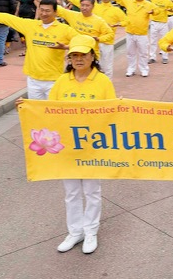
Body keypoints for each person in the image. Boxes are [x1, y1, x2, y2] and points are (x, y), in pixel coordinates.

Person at [48, 34, 116, 254]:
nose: (78, 59)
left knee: (92, 191)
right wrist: (26, 106)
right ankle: (75, 232)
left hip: (92, 146)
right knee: (71, 192)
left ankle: (90, 232)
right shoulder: (61, 81)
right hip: (67, 146)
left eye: (83, 55)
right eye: (74, 55)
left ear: (92, 56)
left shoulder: (103, 82)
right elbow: (48, 111)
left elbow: (111, 114)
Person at [0, 0, 79, 100]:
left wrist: (66, 47)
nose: (44, 13)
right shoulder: (30, 26)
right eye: (41, 10)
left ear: (55, 12)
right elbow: (8, 18)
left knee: (52, 113)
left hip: (54, 80)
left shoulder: (65, 30)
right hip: (33, 80)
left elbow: (84, 42)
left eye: (47, 11)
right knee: (36, 113)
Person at [111, 0, 156, 77]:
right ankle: (131, 69)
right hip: (130, 32)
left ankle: (144, 69)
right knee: (130, 52)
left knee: (143, 53)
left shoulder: (149, 4)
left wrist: (153, 12)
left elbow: (158, 10)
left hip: (142, 34)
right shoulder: (129, 1)